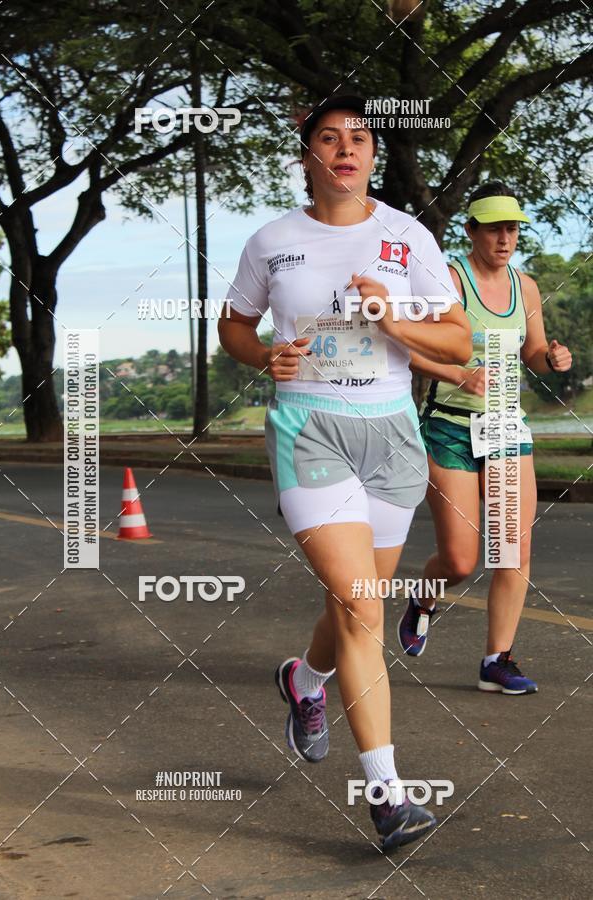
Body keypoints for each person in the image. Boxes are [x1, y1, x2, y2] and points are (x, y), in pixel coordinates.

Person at [218, 94, 472, 850]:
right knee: (363, 609)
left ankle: (304, 678)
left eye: (359, 137)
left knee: (355, 605)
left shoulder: (407, 235)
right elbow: (235, 322)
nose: (345, 148)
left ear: (371, 155)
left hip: (392, 433)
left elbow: (458, 342)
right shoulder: (271, 241)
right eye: (328, 138)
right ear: (308, 157)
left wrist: (394, 320)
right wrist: (264, 354)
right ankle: (389, 799)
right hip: (309, 430)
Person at [398, 181, 573, 694]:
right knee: (460, 559)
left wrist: (552, 359)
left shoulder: (528, 287)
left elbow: (534, 351)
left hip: (503, 426)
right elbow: (407, 348)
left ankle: (497, 660)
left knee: (512, 550)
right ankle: (423, 597)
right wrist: (457, 375)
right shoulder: (448, 280)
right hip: (448, 426)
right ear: (470, 230)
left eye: (513, 228)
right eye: (493, 227)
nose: (504, 237)